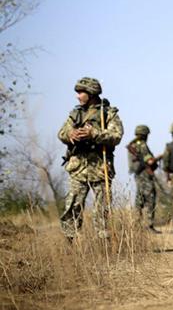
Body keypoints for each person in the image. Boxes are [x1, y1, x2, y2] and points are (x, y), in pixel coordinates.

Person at [58, 77, 123, 241]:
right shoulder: (76, 114)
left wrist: (93, 133)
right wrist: (71, 134)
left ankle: (104, 247)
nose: (77, 96)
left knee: (102, 209)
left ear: (91, 93)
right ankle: (70, 244)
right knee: (72, 206)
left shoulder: (107, 113)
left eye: (81, 92)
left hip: (100, 167)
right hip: (78, 167)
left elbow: (116, 136)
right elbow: (61, 133)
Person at [127, 125, 161, 234]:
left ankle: (137, 226)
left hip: (139, 175)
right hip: (144, 174)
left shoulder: (134, 144)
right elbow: (149, 161)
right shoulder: (141, 145)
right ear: (145, 134)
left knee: (139, 199)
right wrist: (158, 158)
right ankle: (148, 226)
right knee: (150, 198)